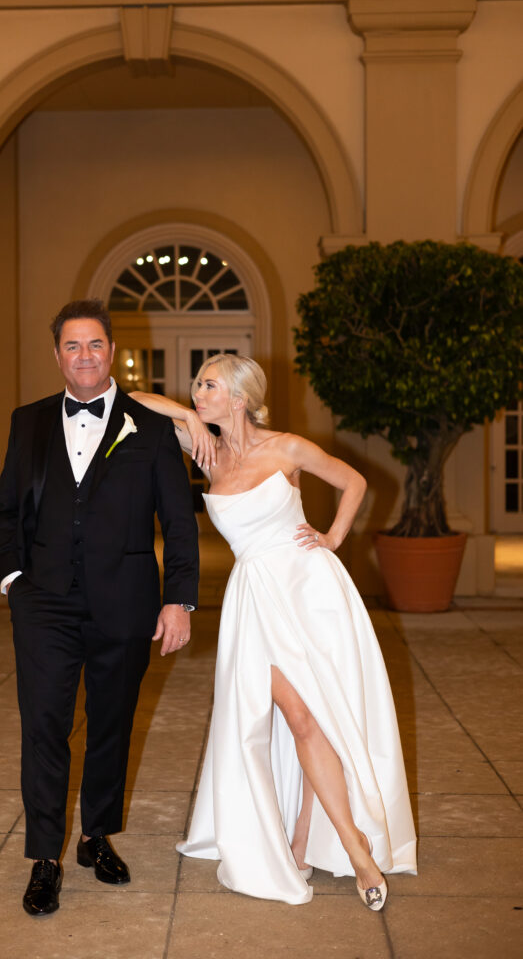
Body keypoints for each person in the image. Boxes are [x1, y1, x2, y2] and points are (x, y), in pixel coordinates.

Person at [130, 354, 417, 909]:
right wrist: (172, 410)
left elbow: (354, 481)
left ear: (238, 398)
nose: (198, 392)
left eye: (209, 385)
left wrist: (333, 537)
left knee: (315, 718)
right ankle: (345, 845)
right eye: (197, 385)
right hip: (254, 600)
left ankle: (325, 846)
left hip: (310, 590)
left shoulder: (286, 447)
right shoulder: (204, 449)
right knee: (297, 715)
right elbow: (138, 401)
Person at [0, 299, 199, 917]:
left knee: (111, 724)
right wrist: (14, 578)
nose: (85, 355)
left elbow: (179, 523)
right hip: (44, 603)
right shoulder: (26, 422)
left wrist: (179, 600)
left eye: (96, 345)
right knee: (45, 726)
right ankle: (45, 858)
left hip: (126, 602)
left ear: (114, 352)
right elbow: (6, 510)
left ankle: (95, 836)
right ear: (57, 354)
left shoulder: (152, 429)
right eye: (73, 346)